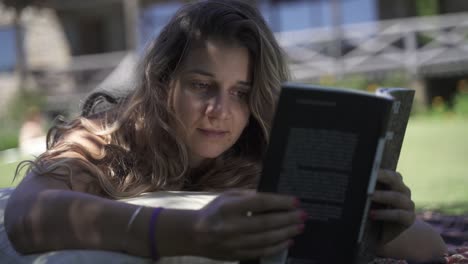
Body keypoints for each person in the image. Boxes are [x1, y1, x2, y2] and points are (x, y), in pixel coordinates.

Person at [4, 0, 446, 262]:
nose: (220, 110)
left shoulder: (259, 156)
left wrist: (390, 222)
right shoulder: (109, 139)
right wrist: (189, 232)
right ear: (163, 82)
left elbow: (430, 248)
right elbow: (26, 216)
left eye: (241, 92)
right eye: (201, 86)